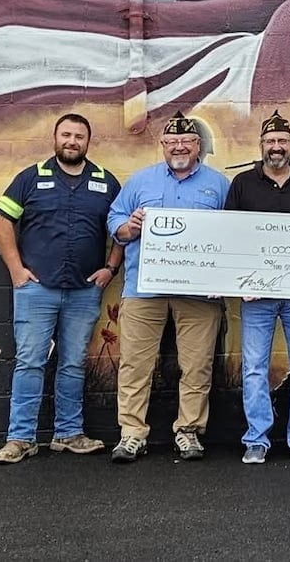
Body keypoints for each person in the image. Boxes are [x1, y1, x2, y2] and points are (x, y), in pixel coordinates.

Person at [0, 113, 123, 464]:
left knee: (73, 364)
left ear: (88, 142)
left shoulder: (105, 182)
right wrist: (16, 270)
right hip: (37, 290)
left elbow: (124, 229)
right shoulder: (32, 177)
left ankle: (68, 434)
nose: (72, 141)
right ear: (55, 138)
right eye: (66, 134)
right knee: (30, 362)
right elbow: (2, 220)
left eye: (79, 136)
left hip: (83, 291)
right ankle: (21, 439)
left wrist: (110, 268)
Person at [107, 111, 230, 463]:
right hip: (144, 290)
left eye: (187, 141)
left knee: (197, 364)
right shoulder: (140, 182)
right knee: (134, 363)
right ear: (162, 145)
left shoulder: (218, 184)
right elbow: (114, 219)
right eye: (172, 141)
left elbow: (233, 232)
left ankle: (188, 431)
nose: (179, 146)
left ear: (198, 146)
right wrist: (129, 227)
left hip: (198, 294)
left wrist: (221, 277)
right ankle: (132, 433)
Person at [224, 110, 290, 464]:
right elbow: (230, 235)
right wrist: (239, 279)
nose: (276, 147)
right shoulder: (242, 183)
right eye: (270, 142)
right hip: (257, 295)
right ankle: (257, 438)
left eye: (282, 142)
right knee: (254, 367)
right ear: (261, 146)